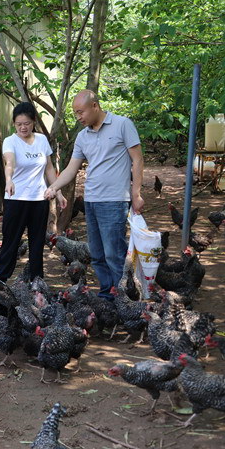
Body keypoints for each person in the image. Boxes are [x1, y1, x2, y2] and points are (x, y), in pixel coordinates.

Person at [45, 90, 144, 300]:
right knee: (97, 255)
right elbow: (72, 169)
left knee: (114, 254)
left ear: (95, 106)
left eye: (81, 112)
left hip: (115, 200)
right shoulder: (83, 136)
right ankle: (108, 294)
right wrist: (54, 187)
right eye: (75, 114)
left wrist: (136, 193)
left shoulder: (122, 124)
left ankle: (125, 297)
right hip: (91, 200)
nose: (78, 117)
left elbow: (137, 160)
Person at [0, 102, 65, 282]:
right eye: (18, 124)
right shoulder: (10, 141)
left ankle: (37, 281)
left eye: (26, 123)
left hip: (39, 199)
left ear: (33, 121)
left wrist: (57, 191)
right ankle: (1, 280)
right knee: (11, 241)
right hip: (16, 198)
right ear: (14, 124)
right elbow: (9, 163)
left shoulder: (41, 140)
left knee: (37, 242)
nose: (22, 127)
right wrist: (9, 180)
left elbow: (49, 168)